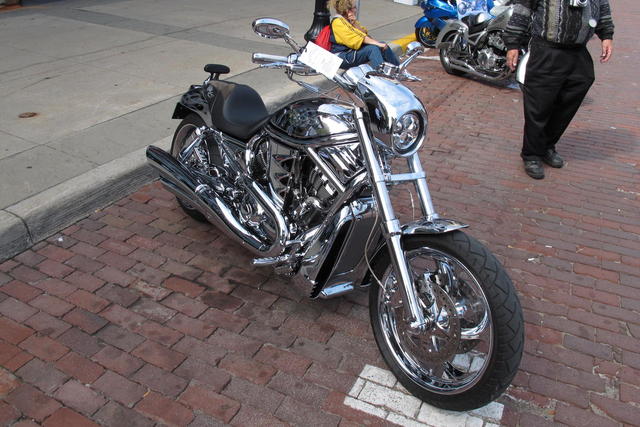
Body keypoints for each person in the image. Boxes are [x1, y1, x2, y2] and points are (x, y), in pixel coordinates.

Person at [503, 0, 614, 179]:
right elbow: (522, 11)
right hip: (546, 50)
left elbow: (602, 7)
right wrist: (513, 44)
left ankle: (547, 145)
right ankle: (531, 155)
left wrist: (606, 35)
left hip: (578, 52)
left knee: (570, 99)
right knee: (539, 106)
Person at [327, 0, 400, 70]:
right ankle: (380, 75)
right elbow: (359, 38)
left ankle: (397, 70)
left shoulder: (349, 20)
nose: (356, 10)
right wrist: (377, 44)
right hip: (341, 57)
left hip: (350, 53)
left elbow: (365, 35)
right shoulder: (338, 22)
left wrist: (354, 24)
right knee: (372, 49)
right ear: (347, 10)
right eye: (354, 7)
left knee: (382, 44)